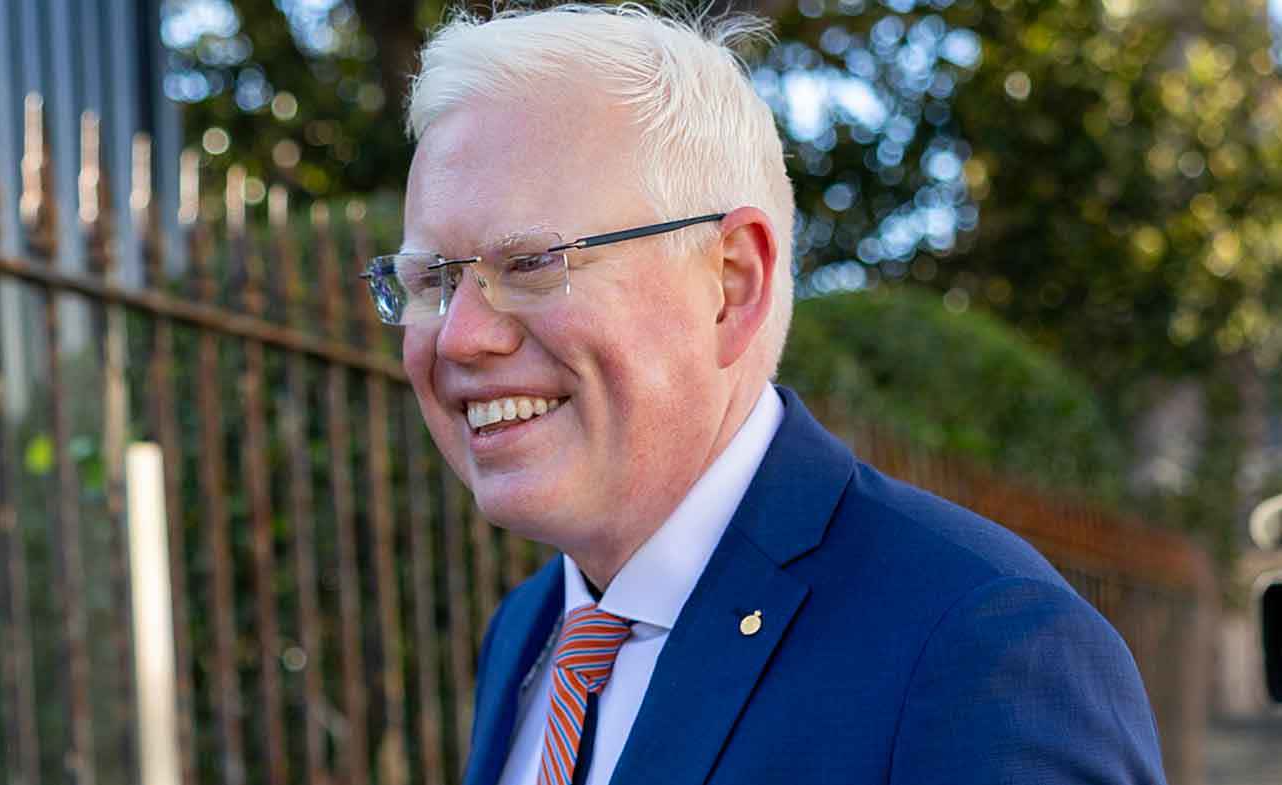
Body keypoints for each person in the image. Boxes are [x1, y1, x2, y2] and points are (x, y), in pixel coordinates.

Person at [360, 4, 1167, 784]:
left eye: (531, 263)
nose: (460, 336)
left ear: (731, 283)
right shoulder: (531, 630)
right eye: (430, 279)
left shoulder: (981, 649)